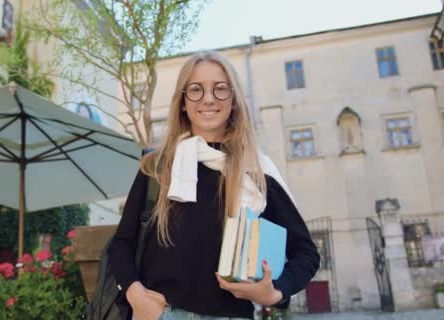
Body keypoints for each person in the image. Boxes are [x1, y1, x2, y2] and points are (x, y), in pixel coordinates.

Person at [108, 51, 320, 320]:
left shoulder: (257, 172)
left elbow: (306, 254)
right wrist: (136, 295)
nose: (208, 98)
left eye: (220, 89)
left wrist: (275, 293)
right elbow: (122, 244)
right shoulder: (157, 168)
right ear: (183, 102)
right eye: (196, 89)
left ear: (234, 101)